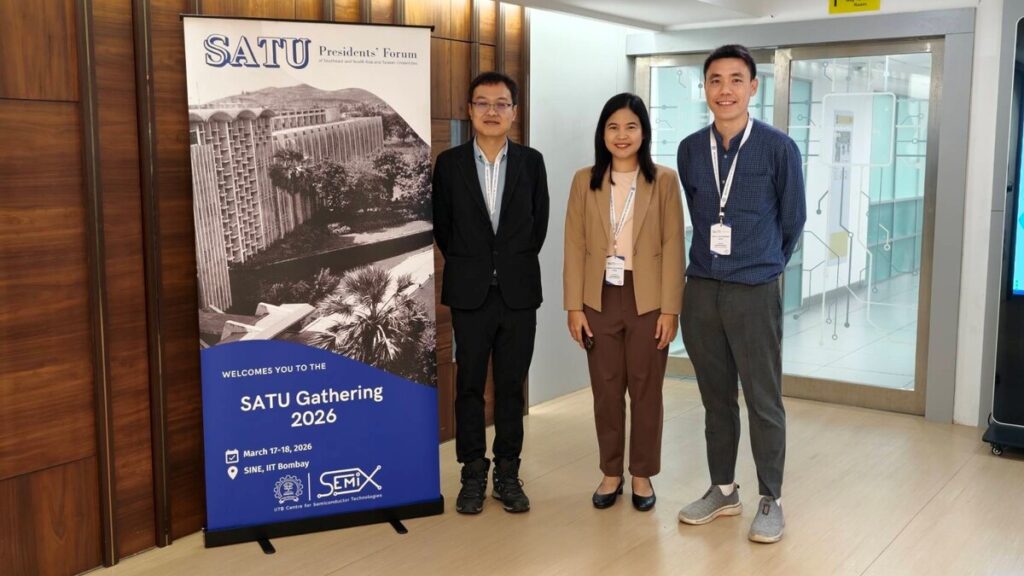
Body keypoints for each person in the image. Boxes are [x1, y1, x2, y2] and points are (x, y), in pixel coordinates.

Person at [675, 45, 806, 543]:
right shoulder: (691, 149)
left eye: (735, 80)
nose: (725, 90)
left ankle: (771, 497)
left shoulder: (778, 148)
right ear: (705, 88)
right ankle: (723, 489)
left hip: (754, 289)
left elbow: (792, 221)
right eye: (715, 80)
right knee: (715, 398)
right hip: (702, 287)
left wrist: (763, 264)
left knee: (763, 399)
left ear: (753, 87)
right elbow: (698, 212)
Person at [432, 71, 550, 515]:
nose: (492, 111)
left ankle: (507, 472)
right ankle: (472, 473)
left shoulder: (531, 163)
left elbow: (538, 226)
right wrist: (477, 264)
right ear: (470, 110)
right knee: (468, 387)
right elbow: (445, 228)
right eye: (482, 103)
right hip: (470, 293)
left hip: (518, 293)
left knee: (510, 387)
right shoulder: (450, 164)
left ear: (514, 112)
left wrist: (506, 262)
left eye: (502, 103)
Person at [564, 93, 685, 512]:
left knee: (647, 390)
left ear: (644, 133)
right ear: (602, 133)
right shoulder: (585, 180)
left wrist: (671, 309)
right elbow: (574, 245)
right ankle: (611, 472)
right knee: (606, 389)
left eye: (631, 126)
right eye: (613, 127)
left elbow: (674, 245)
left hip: (648, 298)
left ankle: (642, 474)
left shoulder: (664, 181)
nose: (622, 135)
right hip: (598, 297)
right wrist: (574, 306)